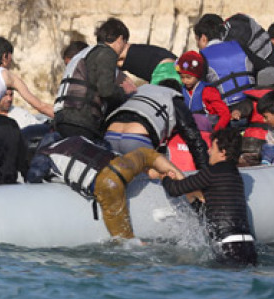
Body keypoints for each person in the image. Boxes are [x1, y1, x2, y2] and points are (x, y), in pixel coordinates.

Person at [37, 135, 185, 239]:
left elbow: (34, 176)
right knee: (147, 154)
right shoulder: (75, 138)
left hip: (106, 184)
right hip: (120, 165)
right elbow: (104, 146)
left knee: (124, 240)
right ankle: (177, 179)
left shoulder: (45, 156)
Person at [161, 127, 257, 265]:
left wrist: (165, 177)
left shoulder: (212, 173)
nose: (209, 151)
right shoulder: (235, 176)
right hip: (248, 245)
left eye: (212, 147)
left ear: (223, 152)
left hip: (228, 245)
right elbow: (210, 210)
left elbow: (175, 189)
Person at [53, 17, 133, 142]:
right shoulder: (107, 53)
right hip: (80, 121)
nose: (123, 48)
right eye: (125, 43)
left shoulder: (83, 53)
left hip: (62, 118)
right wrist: (125, 96)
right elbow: (106, 90)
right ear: (120, 39)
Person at [102, 80, 208, 170]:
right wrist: (204, 172)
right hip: (137, 138)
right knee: (150, 181)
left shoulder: (141, 90)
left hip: (110, 135)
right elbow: (193, 137)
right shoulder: (173, 97)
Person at [195, 13, 258, 106]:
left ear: (203, 38)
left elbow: (199, 88)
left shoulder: (203, 56)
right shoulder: (240, 46)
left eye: (197, 40)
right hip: (250, 102)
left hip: (226, 108)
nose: (198, 45)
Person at [176, 51, 231, 131]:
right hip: (189, 131)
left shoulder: (208, 91)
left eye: (188, 77)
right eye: (182, 77)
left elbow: (225, 114)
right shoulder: (180, 91)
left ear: (197, 75)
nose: (185, 81)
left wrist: (216, 132)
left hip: (208, 131)